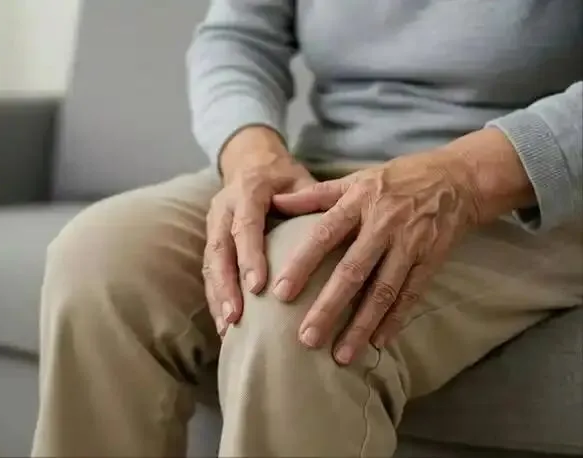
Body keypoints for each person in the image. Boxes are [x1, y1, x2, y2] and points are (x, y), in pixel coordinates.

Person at [31, 1, 582, 456]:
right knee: (98, 264)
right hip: (326, 165)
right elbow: (238, 36)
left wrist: (461, 177)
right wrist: (251, 155)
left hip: (528, 192)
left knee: (302, 305)